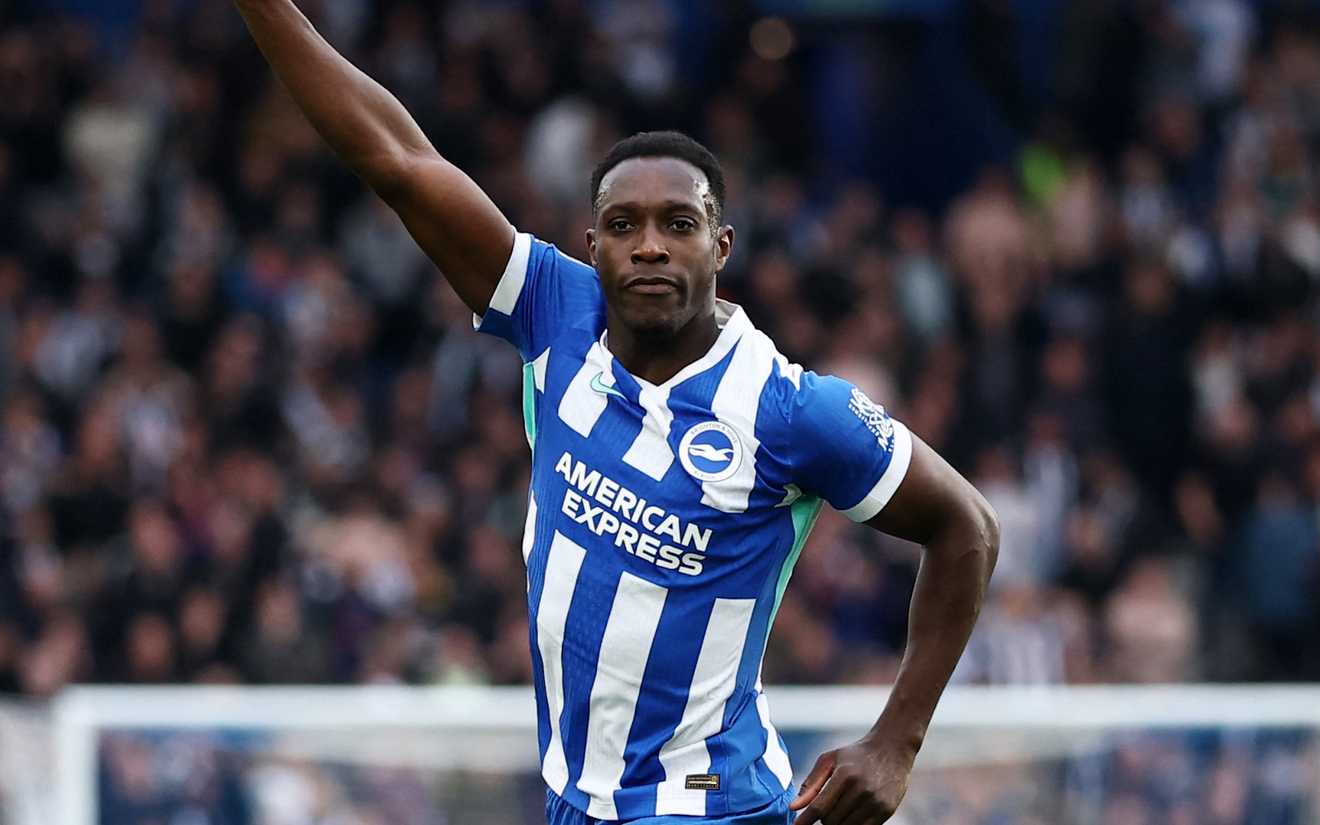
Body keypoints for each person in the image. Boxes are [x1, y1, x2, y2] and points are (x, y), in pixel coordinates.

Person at [232, 3, 1000, 823]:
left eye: (680, 224)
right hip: (580, 799)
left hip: (709, 807)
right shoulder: (552, 311)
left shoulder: (789, 409)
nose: (650, 246)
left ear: (723, 245)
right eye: (623, 225)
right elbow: (399, 161)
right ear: (591, 243)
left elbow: (968, 526)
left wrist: (897, 740)